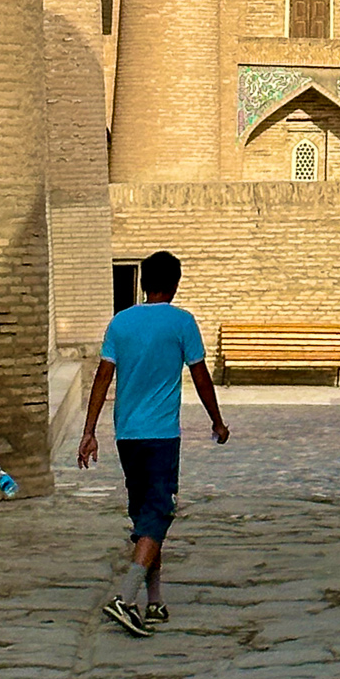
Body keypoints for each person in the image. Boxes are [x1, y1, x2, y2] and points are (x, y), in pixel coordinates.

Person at [78, 248, 229, 635]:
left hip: (127, 435)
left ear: (143, 283)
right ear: (175, 284)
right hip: (161, 436)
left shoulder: (120, 323)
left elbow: (101, 377)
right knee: (159, 514)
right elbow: (200, 376)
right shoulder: (182, 323)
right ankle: (125, 598)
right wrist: (217, 421)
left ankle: (155, 601)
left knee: (146, 517)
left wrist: (89, 431)